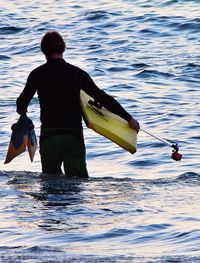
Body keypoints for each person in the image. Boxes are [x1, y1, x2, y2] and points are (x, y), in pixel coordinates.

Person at [16, 31, 140, 177]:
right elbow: (102, 97)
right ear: (63, 48)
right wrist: (128, 118)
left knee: (50, 185)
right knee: (77, 183)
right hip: (73, 136)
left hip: (50, 137)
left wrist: (23, 113)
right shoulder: (77, 73)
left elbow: (21, 103)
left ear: (43, 51)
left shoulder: (37, 74)